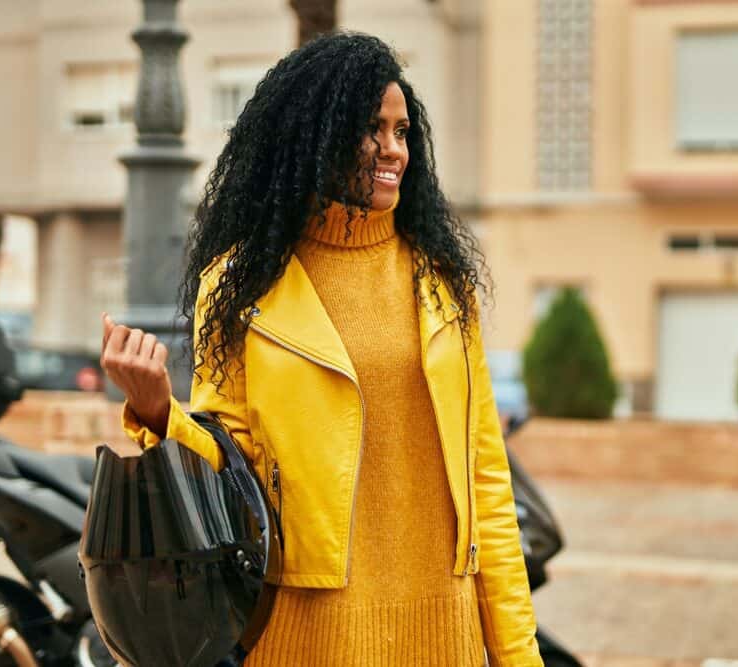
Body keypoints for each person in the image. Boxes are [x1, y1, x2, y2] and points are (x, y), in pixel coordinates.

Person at [100, 32, 542, 666]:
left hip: (445, 628)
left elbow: (487, 483)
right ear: (319, 138)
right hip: (306, 634)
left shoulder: (442, 282)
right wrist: (157, 411)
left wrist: (519, 654)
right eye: (372, 130)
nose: (393, 149)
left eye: (401, 130)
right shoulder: (240, 285)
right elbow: (235, 466)